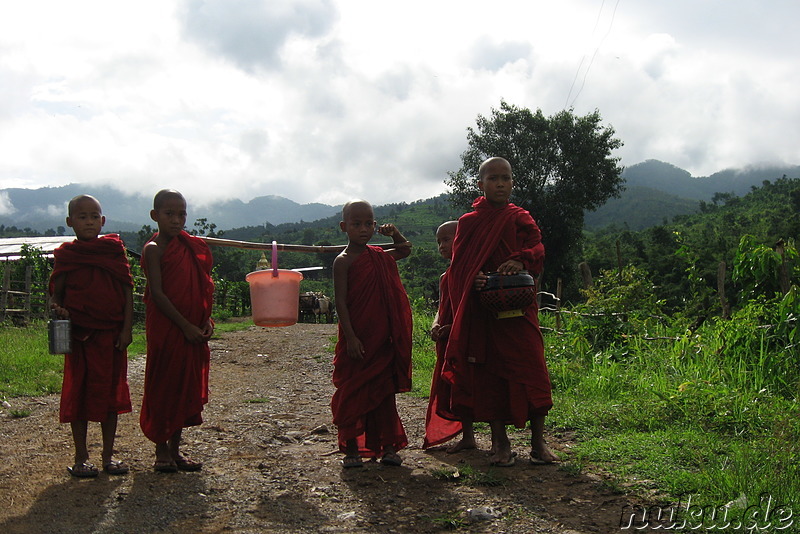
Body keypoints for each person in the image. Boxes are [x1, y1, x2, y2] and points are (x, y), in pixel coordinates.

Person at [443, 156, 558, 467]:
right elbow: (459, 268)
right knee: (491, 375)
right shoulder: (469, 223)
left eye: (505, 178)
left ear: (512, 183)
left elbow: (538, 248)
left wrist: (520, 260)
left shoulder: (520, 217)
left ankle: (538, 442)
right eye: (493, 178)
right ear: (480, 185)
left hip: (521, 309)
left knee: (532, 369)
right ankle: (501, 444)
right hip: (486, 311)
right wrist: (475, 277)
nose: (500, 184)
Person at [49, 194, 134, 477]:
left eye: (94, 216)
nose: (89, 222)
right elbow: (55, 296)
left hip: (111, 336)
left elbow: (126, 291)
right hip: (79, 337)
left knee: (111, 395)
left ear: (103, 220)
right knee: (80, 394)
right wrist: (57, 308)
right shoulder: (66, 256)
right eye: (82, 217)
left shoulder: (113, 251)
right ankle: (81, 457)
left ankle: (109, 457)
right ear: (70, 222)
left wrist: (126, 329)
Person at [331, 200, 413, 468]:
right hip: (357, 339)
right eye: (356, 224)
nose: (363, 229)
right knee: (353, 393)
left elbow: (404, 250)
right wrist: (351, 337)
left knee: (383, 394)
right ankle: (352, 449)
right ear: (344, 226)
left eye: (369, 224)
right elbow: (341, 302)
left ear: (375, 226)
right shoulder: (342, 262)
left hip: (381, 339)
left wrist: (395, 233)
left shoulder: (378, 255)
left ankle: (389, 448)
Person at [139, 189, 215, 473]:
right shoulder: (153, 249)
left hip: (194, 329)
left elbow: (204, 286)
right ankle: (160, 449)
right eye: (169, 214)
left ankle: (175, 450)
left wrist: (205, 321)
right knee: (164, 384)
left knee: (185, 386)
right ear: (154, 216)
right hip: (167, 328)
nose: (176, 219)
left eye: (181, 213)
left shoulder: (192, 247)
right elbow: (157, 293)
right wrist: (184, 325)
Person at [423, 220, 476, 451]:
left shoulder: (473, 273)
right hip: (446, 340)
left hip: (466, 339)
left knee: (468, 384)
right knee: (453, 386)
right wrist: (436, 323)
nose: (441, 246)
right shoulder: (446, 277)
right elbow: (441, 306)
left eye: (446, 239)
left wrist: (453, 327)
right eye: (438, 242)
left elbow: (472, 308)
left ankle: (481, 437)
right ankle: (468, 436)